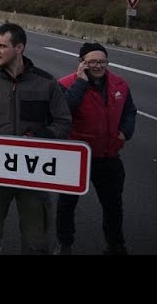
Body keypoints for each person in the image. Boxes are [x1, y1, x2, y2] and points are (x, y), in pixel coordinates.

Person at [0, 23, 72, 255]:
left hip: (33, 175)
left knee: (36, 242)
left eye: (2, 46)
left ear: (20, 48)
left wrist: (42, 135)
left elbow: (63, 122)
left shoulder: (46, 83)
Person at [54, 42, 137, 255]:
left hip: (108, 156)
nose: (98, 66)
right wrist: (80, 83)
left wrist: (125, 132)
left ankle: (115, 244)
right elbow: (62, 113)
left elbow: (130, 111)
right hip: (76, 157)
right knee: (66, 205)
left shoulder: (120, 84)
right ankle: (64, 244)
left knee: (113, 206)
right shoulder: (65, 84)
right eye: (92, 62)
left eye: (102, 61)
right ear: (82, 63)